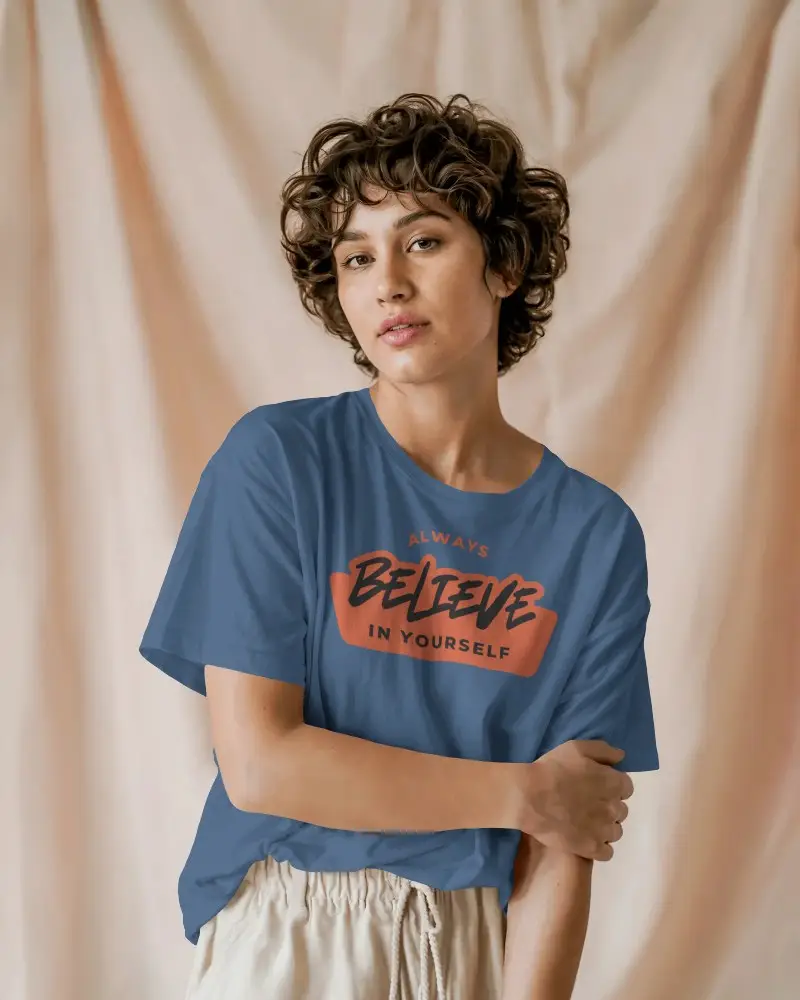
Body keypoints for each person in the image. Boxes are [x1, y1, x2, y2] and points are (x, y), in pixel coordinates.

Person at [139, 92, 658, 1000]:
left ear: (504, 262)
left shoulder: (593, 534)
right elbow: (262, 764)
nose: (386, 282)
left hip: (472, 941)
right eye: (354, 257)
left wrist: (540, 811)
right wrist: (516, 793)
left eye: (423, 241)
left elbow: (565, 837)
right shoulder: (281, 462)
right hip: (292, 927)